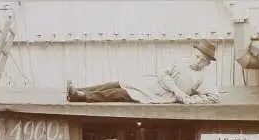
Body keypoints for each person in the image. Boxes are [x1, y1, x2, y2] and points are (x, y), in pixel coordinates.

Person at [67, 39, 220, 104]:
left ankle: (81, 97)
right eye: (197, 56)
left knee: (118, 94)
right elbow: (163, 75)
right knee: (116, 83)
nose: (198, 61)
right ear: (193, 52)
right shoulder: (180, 60)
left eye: (203, 61)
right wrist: (178, 90)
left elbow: (214, 97)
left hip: (158, 96)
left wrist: (190, 100)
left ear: (207, 63)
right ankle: (78, 90)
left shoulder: (202, 77)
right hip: (151, 84)